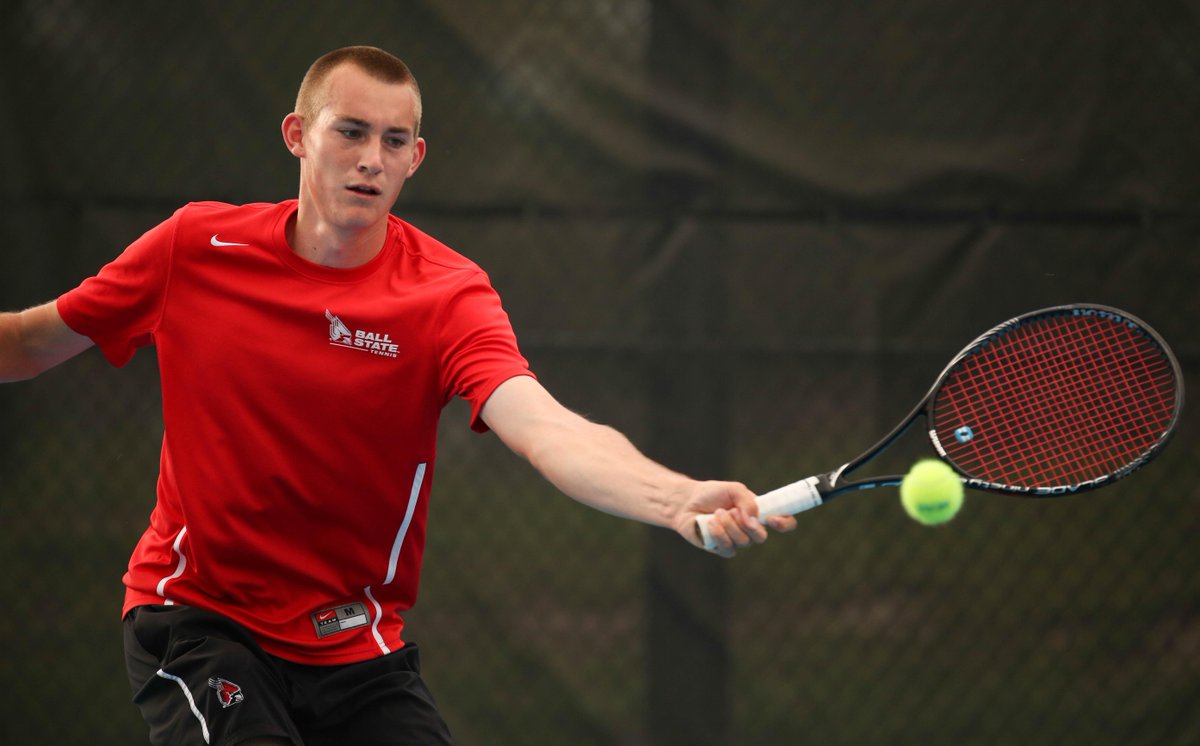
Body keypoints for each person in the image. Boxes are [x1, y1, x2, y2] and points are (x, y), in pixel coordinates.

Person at [0, 46, 795, 745]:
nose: (371, 158)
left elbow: (548, 427)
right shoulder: (193, 250)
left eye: (394, 140)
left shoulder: (447, 295)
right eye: (349, 131)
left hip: (354, 645)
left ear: (417, 158)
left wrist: (675, 497)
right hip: (200, 617)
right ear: (297, 136)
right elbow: (30, 344)